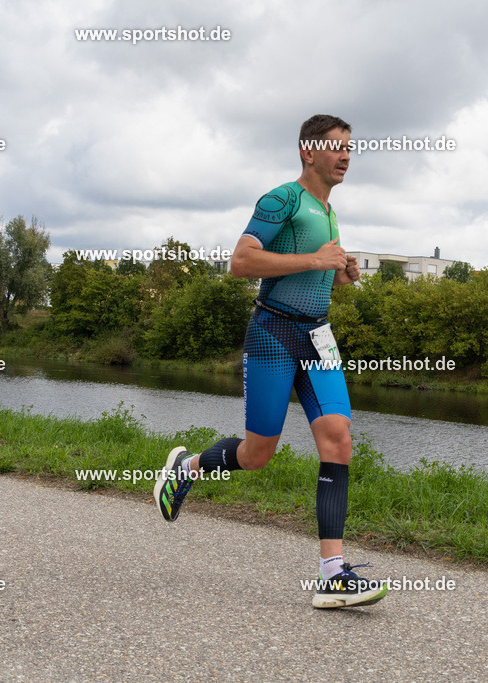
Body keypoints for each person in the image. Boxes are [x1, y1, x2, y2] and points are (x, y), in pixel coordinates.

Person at [153, 114, 387, 609]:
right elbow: (242, 262)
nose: (346, 157)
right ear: (308, 151)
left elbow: (323, 276)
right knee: (259, 454)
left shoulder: (329, 209)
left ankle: (333, 574)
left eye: (351, 148)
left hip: (317, 337)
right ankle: (187, 468)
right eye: (336, 147)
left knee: (338, 438)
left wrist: (343, 272)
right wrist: (315, 260)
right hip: (273, 335)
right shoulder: (282, 199)